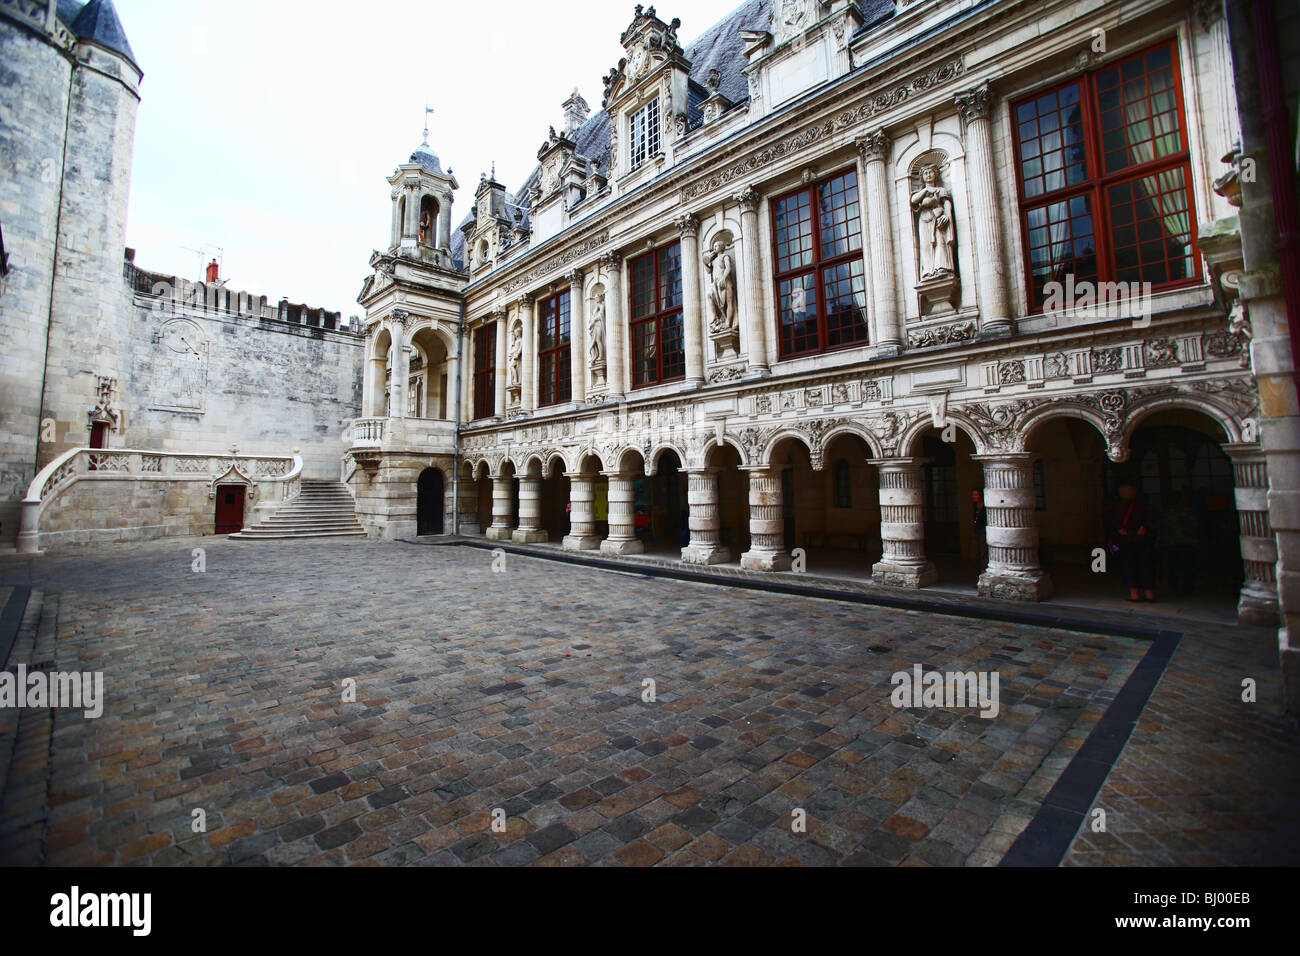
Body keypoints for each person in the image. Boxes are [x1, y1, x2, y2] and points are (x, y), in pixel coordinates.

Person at [1106, 484, 1157, 602]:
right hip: (1138, 539)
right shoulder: (1143, 505)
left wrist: (1120, 529)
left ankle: (1137, 593)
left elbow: (1110, 519)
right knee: (1142, 565)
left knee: (1133, 565)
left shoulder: (1119, 506)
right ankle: (1147, 593)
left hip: (1131, 539)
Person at [1161, 491, 1201, 595]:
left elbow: (1163, 528)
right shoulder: (1188, 512)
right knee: (1187, 567)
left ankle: (1174, 586)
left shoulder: (1168, 512)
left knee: (1173, 566)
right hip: (1188, 542)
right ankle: (1188, 587)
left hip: (1172, 542)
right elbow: (1196, 526)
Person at [971, 488, 988, 579]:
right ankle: (978, 570)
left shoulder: (986, 506)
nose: (973, 497)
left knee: (984, 552)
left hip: (984, 531)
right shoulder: (975, 505)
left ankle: (984, 569)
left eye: (976, 495)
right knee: (975, 552)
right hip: (976, 530)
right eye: (973, 495)